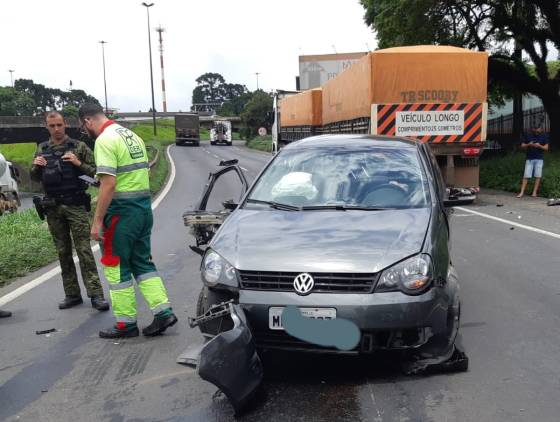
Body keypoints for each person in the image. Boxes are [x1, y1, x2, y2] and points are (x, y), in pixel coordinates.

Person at [79, 103, 177, 339]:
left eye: (84, 127)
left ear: (87, 121)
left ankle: (125, 324)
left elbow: (109, 184)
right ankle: (163, 312)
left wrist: (97, 221)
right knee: (142, 263)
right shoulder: (130, 135)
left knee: (115, 267)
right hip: (143, 209)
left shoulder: (104, 140)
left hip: (121, 214)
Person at [30, 111, 109, 311]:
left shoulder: (79, 147)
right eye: (52, 126)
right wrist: (36, 166)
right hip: (53, 208)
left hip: (75, 205)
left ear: (65, 124)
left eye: (59, 125)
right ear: (46, 127)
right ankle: (72, 294)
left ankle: (96, 295)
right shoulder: (42, 148)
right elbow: (35, 178)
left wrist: (78, 163)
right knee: (63, 252)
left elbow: (98, 174)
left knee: (84, 250)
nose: (56, 129)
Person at [517, 120, 549, 198]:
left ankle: (534, 192)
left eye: (538, 131)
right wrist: (528, 144)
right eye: (535, 131)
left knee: (538, 176)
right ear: (532, 129)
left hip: (539, 159)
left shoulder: (544, 135)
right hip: (529, 158)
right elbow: (522, 146)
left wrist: (539, 146)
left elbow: (546, 148)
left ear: (541, 129)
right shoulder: (528, 135)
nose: (536, 132)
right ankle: (521, 192)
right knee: (526, 175)